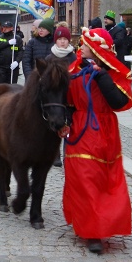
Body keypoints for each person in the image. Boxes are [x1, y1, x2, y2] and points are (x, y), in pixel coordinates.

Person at [64, 27, 132, 254]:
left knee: (106, 181)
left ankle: (105, 224)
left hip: (105, 131)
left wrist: (101, 75)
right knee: (84, 179)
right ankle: (91, 232)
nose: (80, 48)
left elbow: (117, 102)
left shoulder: (113, 74)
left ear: (94, 50)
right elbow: (67, 101)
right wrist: (63, 122)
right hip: (81, 130)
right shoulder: (74, 69)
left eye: (84, 45)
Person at [47, 25, 77, 168]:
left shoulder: (73, 57)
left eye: (65, 39)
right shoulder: (50, 57)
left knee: (69, 124)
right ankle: (55, 154)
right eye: (60, 39)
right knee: (54, 124)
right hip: (55, 98)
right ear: (56, 41)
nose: (63, 42)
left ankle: (67, 153)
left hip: (70, 97)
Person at [0, 21, 23, 85]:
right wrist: (8, 43)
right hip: (1, 66)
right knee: (0, 86)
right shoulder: (0, 37)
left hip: (12, 66)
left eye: (6, 27)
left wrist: (17, 62)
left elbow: (21, 51)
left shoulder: (17, 38)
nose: (4, 29)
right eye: (3, 27)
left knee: (12, 86)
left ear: (11, 28)